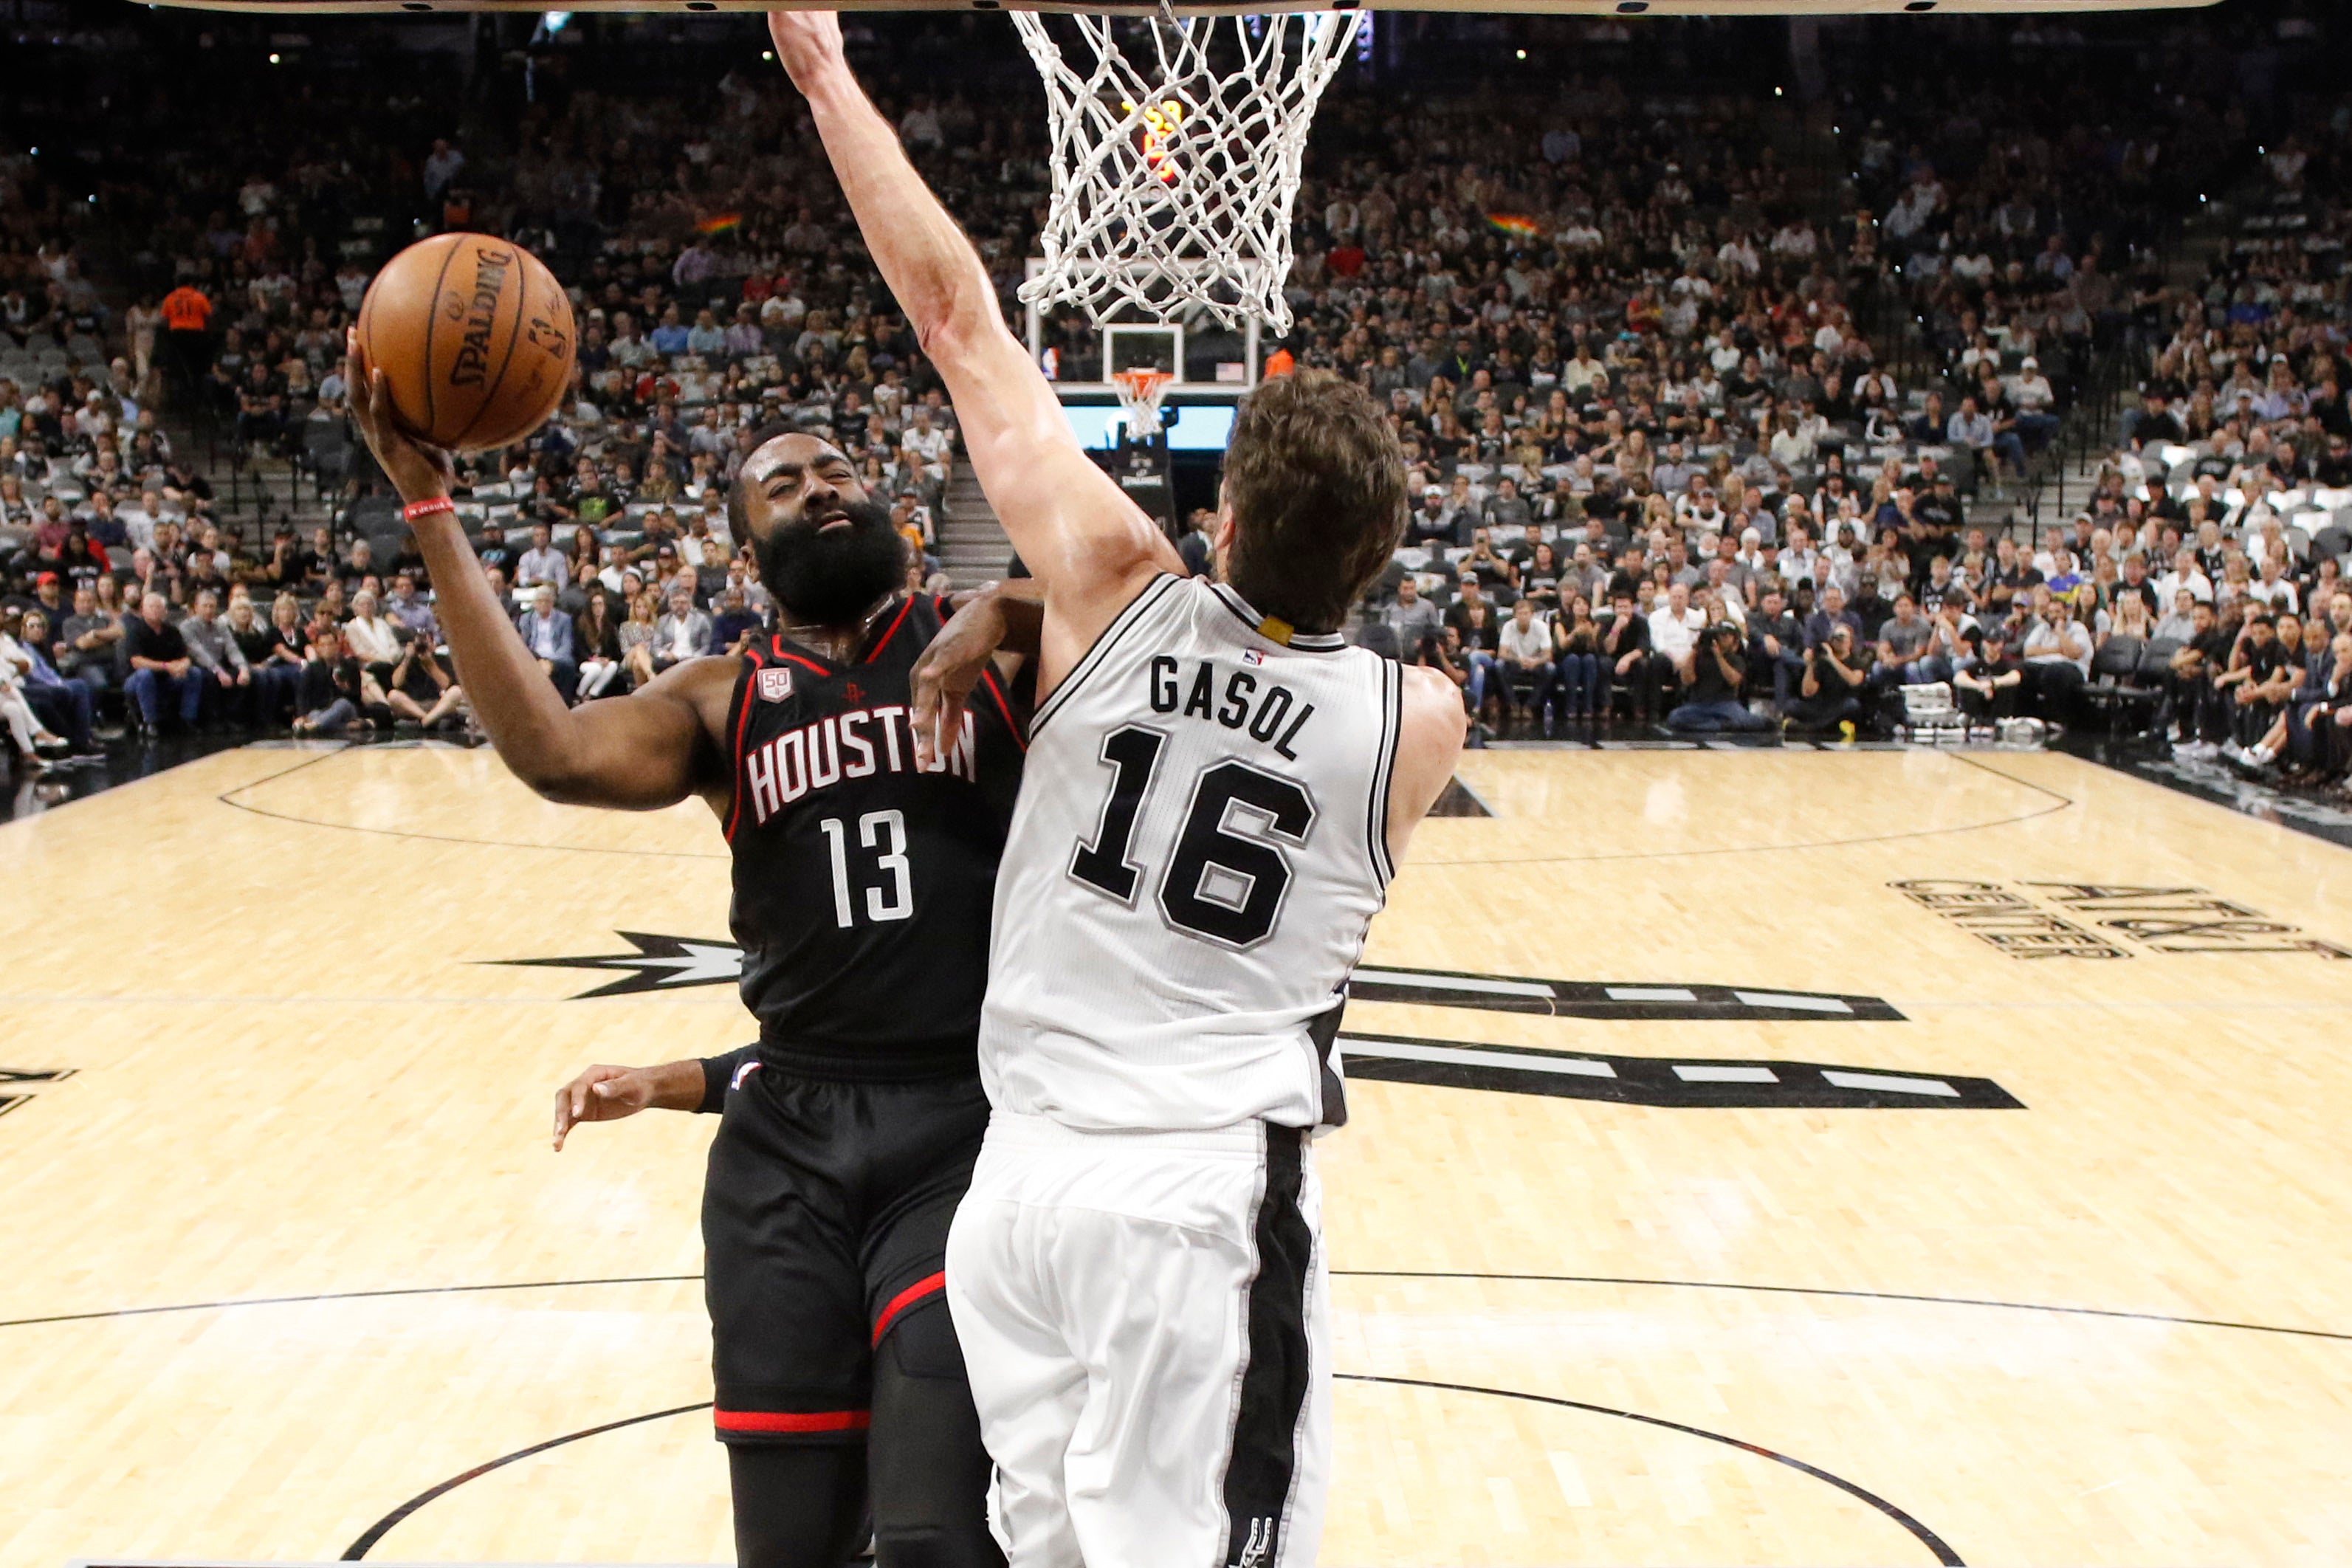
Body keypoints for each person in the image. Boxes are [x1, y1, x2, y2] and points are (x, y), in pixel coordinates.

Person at [766, 16, 1463, 1568]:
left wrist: (823, 70)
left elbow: (957, 319)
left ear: (1215, 518)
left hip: (1016, 1197)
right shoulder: (1417, 723)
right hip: (1193, 1202)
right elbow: (1310, 660)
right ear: (1379, 560)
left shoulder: (1105, 584)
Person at [348, 320, 1035, 1567]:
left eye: (839, 471)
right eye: (784, 483)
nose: (822, 486)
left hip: (965, 1131)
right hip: (785, 1148)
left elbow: (1158, 601)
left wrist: (1016, 597)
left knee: (938, 1533)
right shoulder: (719, 696)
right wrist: (431, 505)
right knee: (788, 1547)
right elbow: (554, 752)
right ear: (745, 546)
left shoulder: (995, 652)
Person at [123, 591, 203, 734]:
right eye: (151, 607)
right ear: (143, 610)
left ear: (165, 611)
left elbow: (184, 656)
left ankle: (187, 719)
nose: (155, 610)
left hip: (168, 678)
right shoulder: (134, 631)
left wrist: (183, 665)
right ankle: (151, 723)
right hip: (138, 679)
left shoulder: (172, 631)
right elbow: (137, 661)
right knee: (144, 674)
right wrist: (167, 666)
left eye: (159, 607)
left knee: (194, 673)